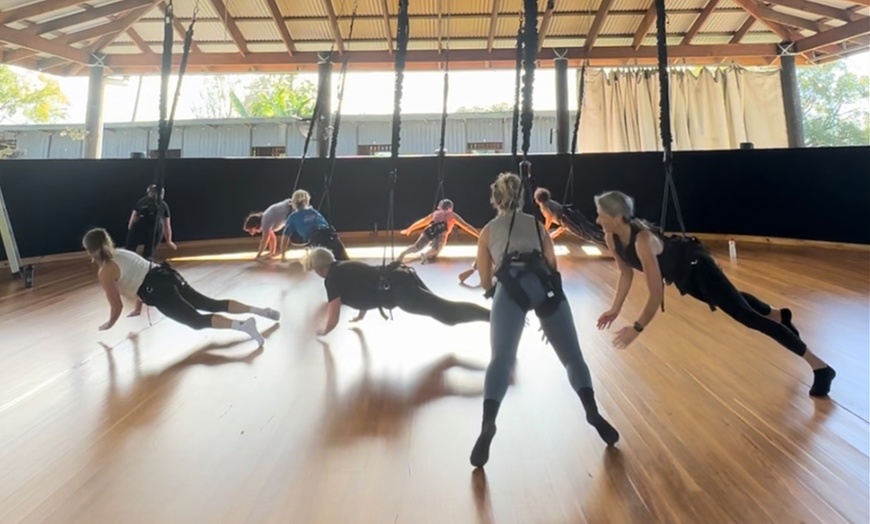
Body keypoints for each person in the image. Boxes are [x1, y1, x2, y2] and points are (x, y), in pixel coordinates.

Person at [593, 190, 836, 397]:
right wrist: (614, 309)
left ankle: (821, 368)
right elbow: (626, 273)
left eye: (602, 215)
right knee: (731, 299)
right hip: (683, 276)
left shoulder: (642, 240)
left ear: (617, 217)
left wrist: (636, 328)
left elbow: (655, 294)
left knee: (746, 316)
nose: (597, 219)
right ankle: (779, 316)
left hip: (698, 268)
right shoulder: (611, 237)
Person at [469, 172, 620, 469]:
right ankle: (590, 410)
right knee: (573, 358)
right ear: (521, 198)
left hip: (509, 290)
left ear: (495, 200)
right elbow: (552, 266)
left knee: (500, 360)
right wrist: (547, 308)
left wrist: (501, 301)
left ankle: (488, 423)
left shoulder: (488, 231)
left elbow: (486, 281)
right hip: (545, 288)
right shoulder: (538, 226)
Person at [83, 228, 278, 346]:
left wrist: (109, 324)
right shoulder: (123, 253)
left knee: (196, 321)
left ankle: (244, 326)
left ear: (89, 250)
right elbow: (138, 276)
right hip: (167, 274)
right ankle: (262, 311)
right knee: (209, 303)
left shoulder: (105, 272)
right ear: (108, 241)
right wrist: (137, 308)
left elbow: (116, 306)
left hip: (157, 289)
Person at [304, 247, 491, 336]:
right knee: (446, 312)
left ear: (319, 269)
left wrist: (323, 331)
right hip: (402, 277)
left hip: (400, 292)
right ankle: (493, 316)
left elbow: (333, 315)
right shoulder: (343, 266)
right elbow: (365, 283)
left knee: (449, 314)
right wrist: (361, 315)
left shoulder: (332, 279)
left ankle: (494, 317)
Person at [398, 199, 480, 264]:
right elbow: (466, 226)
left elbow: (423, 221)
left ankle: (404, 253)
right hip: (441, 233)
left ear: (439, 207)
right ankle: (426, 255)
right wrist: (479, 235)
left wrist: (410, 228)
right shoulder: (452, 215)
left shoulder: (435, 213)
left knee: (416, 247)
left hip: (429, 230)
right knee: (436, 249)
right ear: (451, 207)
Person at [280, 189, 349, 262]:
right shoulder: (314, 212)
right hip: (329, 235)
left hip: (316, 238)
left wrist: (283, 256)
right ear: (307, 201)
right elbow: (325, 224)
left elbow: (285, 237)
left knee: (326, 259)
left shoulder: (292, 217)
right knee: (342, 256)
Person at [534, 187, 606, 247]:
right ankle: (608, 238)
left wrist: (545, 230)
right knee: (590, 229)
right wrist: (554, 234)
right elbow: (562, 226)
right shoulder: (550, 202)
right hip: (570, 214)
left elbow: (549, 217)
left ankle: (607, 242)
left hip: (568, 218)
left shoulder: (544, 205)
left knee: (585, 234)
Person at [125, 184, 176, 260]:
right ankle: (144, 255)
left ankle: (145, 256)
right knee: (134, 251)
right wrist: (169, 241)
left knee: (142, 252)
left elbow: (166, 225)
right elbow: (132, 220)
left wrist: (169, 241)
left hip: (153, 231)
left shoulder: (162, 205)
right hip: (141, 229)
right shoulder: (142, 202)